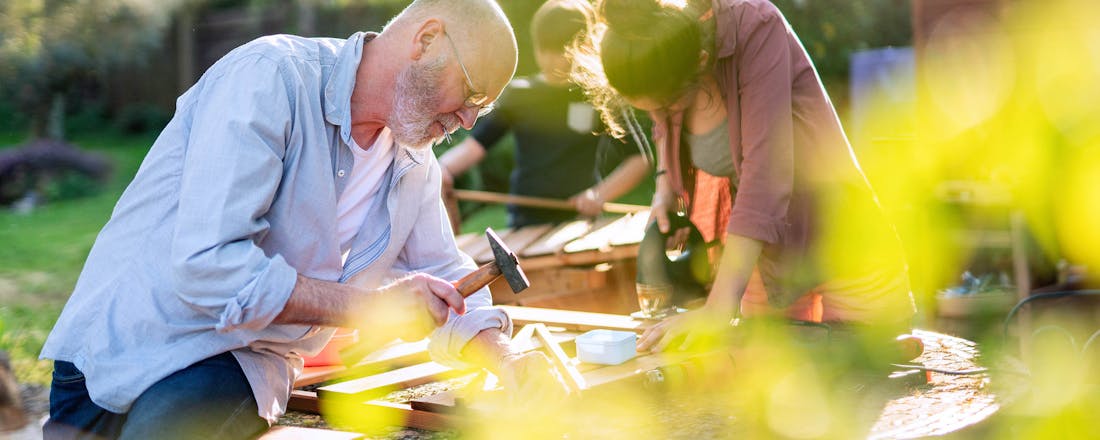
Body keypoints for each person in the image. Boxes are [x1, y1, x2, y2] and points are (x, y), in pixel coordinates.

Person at [39, 1, 568, 438]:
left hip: (236, 362)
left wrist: (506, 357)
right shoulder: (270, 78)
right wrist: (370, 307)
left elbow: (449, 278)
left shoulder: (412, 165)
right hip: (128, 343)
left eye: (484, 108)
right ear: (427, 40)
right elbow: (209, 265)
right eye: (473, 94)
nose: (469, 120)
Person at [571, 0, 916, 353]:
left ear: (701, 63)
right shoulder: (661, 34)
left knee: (867, 384)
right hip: (772, 259)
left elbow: (765, 175)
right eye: (650, 111)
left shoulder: (755, 25)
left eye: (668, 105)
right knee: (768, 391)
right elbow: (664, 126)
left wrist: (718, 309)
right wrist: (663, 185)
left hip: (846, 242)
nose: (662, 118)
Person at [438, 0, 650, 229]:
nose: (553, 60)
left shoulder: (598, 95)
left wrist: (598, 195)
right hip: (525, 221)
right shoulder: (520, 96)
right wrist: (441, 169)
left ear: (585, 47)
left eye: (562, 51)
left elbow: (638, 160)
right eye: (545, 50)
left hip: (580, 221)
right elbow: (475, 147)